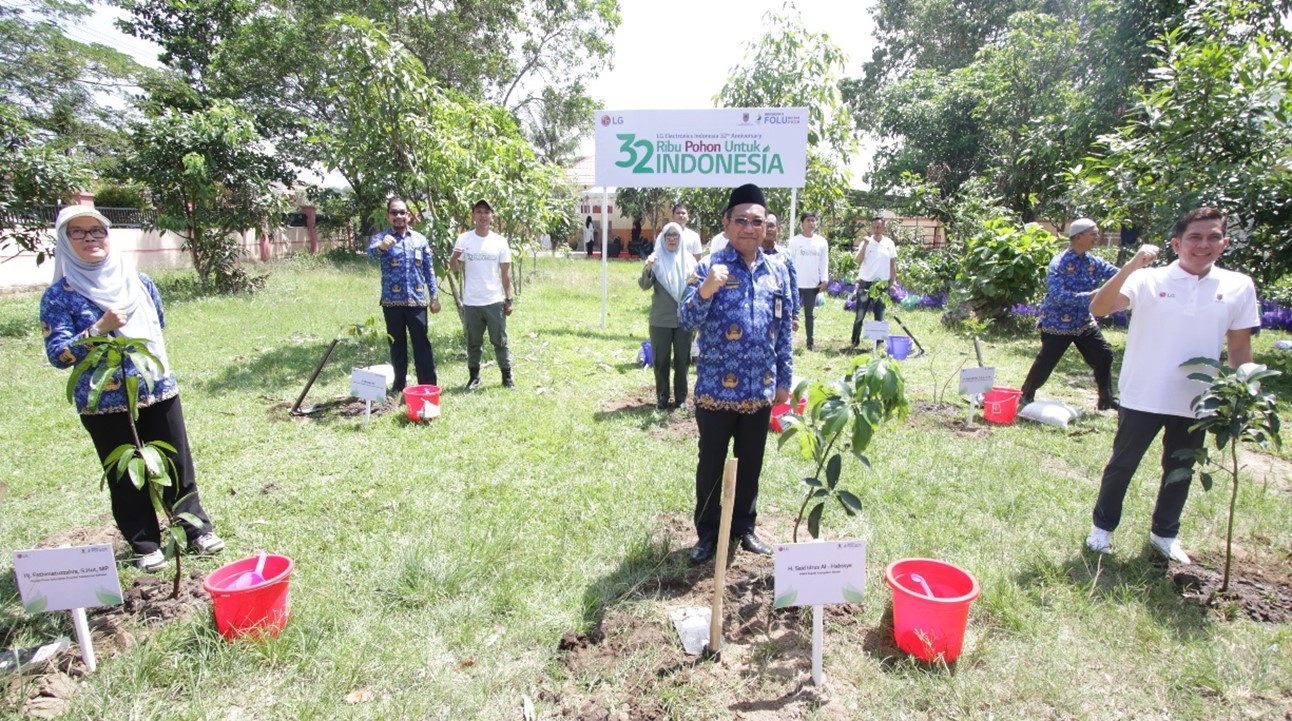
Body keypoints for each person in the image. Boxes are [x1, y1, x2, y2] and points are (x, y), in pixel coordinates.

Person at [40, 206, 224, 571]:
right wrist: (99, 329)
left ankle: (194, 528)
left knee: (176, 461)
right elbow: (58, 355)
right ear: (64, 241)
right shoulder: (59, 296)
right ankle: (144, 542)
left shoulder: (139, 282)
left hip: (157, 387)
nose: (90, 239)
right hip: (103, 400)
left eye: (97, 231)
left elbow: (158, 323)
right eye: (78, 233)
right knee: (124, 472)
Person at [1084, 207, 1259, 564]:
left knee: (1180, 470)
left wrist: (1243, 394)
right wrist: (1131, 265)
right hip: (1142, 394)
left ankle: (1165, 534)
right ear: (1177, 243)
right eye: (1195, 237)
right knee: (1123, 464)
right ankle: (1102, 528)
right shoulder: (1148, 279)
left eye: (1213, 237)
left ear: (1224, 243)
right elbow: (1100, 308)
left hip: (1198, 400)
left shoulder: (1238, 286)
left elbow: (1239, 347)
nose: (1203, 245)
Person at [679, 183, 794, 564]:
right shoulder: (708, 268)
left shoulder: (778, 270)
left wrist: (784, 380)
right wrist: (706, 291)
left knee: (751, 463)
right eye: (741, 220)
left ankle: (745, 527)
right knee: (711, 465)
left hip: (760, 390)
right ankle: (708, 534)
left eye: (757, 221)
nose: (749, 227)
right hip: (716, 390)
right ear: (726, 224)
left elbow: (784, 331)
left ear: (766, 227)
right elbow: (686, 319)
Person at [1018, 218, 1118, 409]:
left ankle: (1106, 399)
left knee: (1104, 355)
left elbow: (1117, 274)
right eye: (1094, 233)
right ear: (1079, 237)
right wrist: (1088, 297)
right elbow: (1056, 295)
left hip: (1083, 322)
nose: (1097, 237)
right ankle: (1026, 394)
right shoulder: (1059, 263)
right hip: (1057, 323)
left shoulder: (1094, 262)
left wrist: (1136, 270)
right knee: (1046, 362)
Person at [367, 197, 441, 393]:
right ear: (388, 216)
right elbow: (371, 254)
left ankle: (428, 385)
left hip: (417, 301)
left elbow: (429, 270)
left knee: (422, 345)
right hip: (392, 303)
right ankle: (399, 386)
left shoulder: (419, 239)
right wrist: (382, 246)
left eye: (402, 212)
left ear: (408, 215)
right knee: (396, 345)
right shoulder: (381, 238)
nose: (398, 216)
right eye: (394, 212)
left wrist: (434, 297)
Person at [450, 199, 515, 389]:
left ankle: (507, 377)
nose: (482, 216)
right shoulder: (464, 239)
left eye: (486, 212)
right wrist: (454, 257)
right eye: (478, 212)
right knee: (473, 342)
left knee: (500, 341)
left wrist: (508, 299)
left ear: (492, 216)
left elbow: (506, 273)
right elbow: (454, 268)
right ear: (473, 216)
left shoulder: (499, 241)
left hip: (494, 300)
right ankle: (474, 377)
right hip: (471, 301)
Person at [638, 223, 696, 410]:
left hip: (684, 320)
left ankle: (681, 398)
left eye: (675, 235)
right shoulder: (656, 259)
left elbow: (697, 288)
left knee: (682, 360)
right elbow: (644, 285)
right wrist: (648, 267)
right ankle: (662, 396)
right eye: (668, 235)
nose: (672, 239)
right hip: (660, 320)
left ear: (681, 239)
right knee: (661, 360)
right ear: (663, 238)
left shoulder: (689, 261)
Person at [850, 216, 898, 348]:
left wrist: (893, 282)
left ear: (883, 228)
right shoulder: (866, 242)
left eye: (879, 227)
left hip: (881, 285)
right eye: (874, 227)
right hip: (865, 283)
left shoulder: (889, 243)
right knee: (860, 315)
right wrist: (865, 245)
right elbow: (858, 261)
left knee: (880, 315)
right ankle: (854, 342)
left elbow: (892, 264)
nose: (876, 229)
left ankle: (879, 344)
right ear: (871, 228)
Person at [788, 211, 829, 350]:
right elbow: (789, 262)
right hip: (795, 284)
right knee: (791, 313)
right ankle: (787, 342)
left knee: (809, 315)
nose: (811, 223)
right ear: (802, 223)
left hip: (812, 284)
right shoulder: (794, 242)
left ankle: (810, 342)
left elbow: (824, 262)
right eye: (808, 220)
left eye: (813, 220)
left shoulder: (821, 242)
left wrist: (824, 279)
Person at [763, 212, 800, 331]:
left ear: (778, 229)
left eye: (772, 226)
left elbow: (793, 284)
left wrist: (795, 314)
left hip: (781, 309)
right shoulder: (752, 254)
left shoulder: (785, 255)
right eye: (765, 225)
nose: (768, 229)